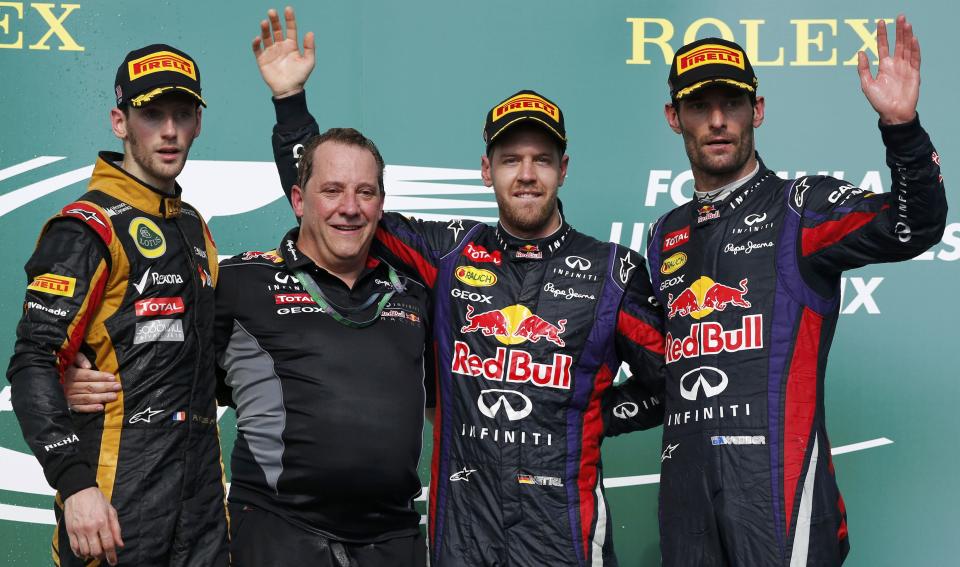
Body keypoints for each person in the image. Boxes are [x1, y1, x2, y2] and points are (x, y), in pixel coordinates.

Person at [257, 8, 666, 566]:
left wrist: (592, 413)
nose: (526, 174)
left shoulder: (613, 271)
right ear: (485, 169)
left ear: (563, 169)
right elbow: (334, 213)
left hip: (564, 541)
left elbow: (673, 384)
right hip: (462, 539)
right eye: (510, 160)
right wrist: (291, 106)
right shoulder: (448, 253)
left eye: (542, 160)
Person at [642, 17, 946, 566]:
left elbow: (914, 226)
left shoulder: (801, 207)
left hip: (779, 501)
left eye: (732, 103)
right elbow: (660, 370)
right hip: (686, 504)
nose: (717, 121)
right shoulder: (665, 233)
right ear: (673, 117)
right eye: (698, 105)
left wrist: (902, 129)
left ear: (757, 110)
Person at [6, 44, 227, 566]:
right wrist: (75, 485)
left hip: (201, 515)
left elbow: (211, 362)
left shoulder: (195, 228)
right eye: (152, 115)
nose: (169, 131)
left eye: (182, 114)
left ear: (199, 122)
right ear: (120, 121)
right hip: (115, 507)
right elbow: (33, 362)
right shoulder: (86, 228)